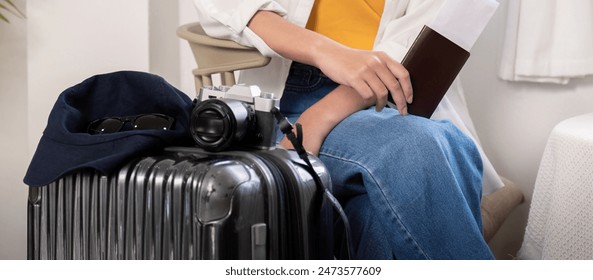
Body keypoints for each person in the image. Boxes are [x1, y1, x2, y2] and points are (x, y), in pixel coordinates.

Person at [194, 0, 495, 259]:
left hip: (383, 99)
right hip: (281, 99)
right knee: (421, 148)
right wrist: (324, 51)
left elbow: (424, 39)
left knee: (375, 214)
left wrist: (321, 115)